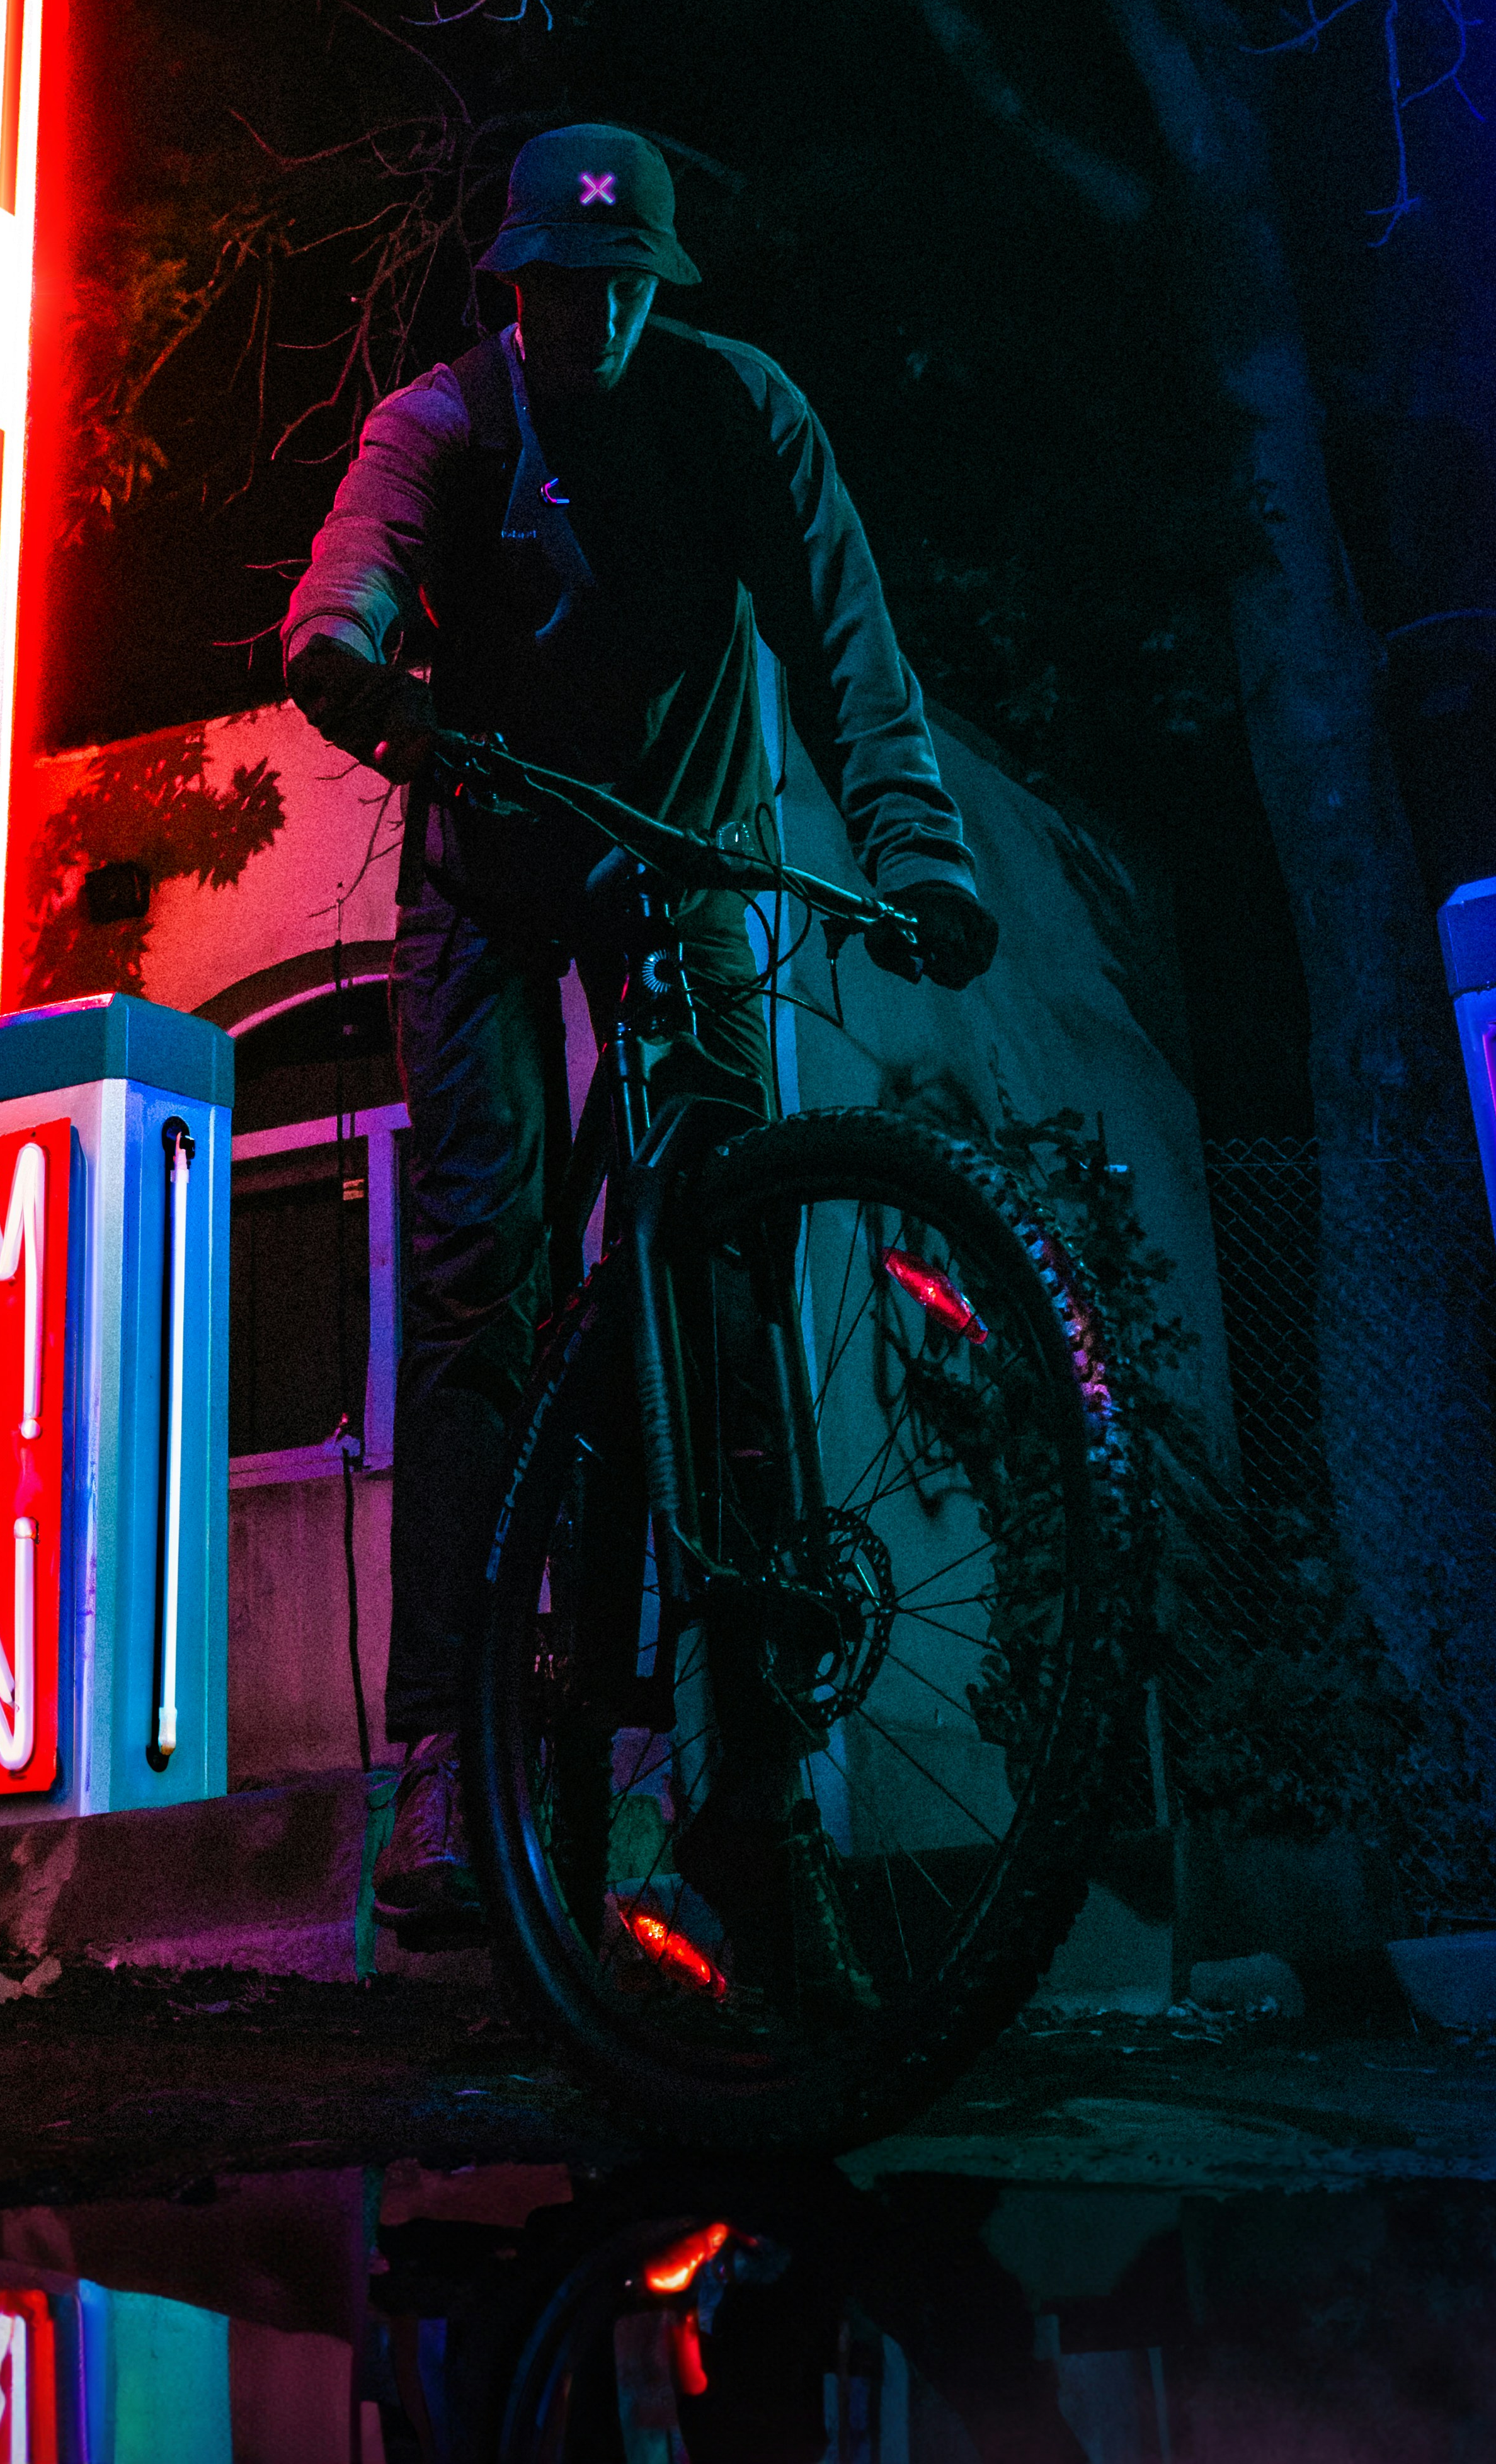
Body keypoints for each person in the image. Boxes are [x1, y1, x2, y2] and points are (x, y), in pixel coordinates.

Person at [283, 120, 999, 1922]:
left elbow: (853, 647)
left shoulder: (741, 410)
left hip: (685, 864)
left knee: (727, 1262)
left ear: (657, 285)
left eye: (626, 288)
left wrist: (915, 854)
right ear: (510, 285)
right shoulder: (443, 426)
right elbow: (344, 587)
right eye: (563, 288)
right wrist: (365, 678)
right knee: (480, 1276)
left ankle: (742, 1755)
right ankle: (450, 1759)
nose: (595, 318)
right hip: (495, 873)